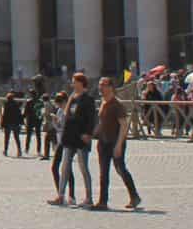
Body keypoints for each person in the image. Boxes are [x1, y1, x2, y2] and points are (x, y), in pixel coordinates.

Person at [92, 77, 142, 210]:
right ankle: (103, 201)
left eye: (103, 85)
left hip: (115, 142)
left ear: (111, 87)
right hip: (103, 142)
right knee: (103, 172)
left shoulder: (117, 104)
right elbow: (101, 122)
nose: (100, 87)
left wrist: (119, 145)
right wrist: (92, 134)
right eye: (100, 85)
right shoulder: (103, 103)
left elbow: (124, 125)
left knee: (120, 169)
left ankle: (134, 196)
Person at [48, 74, 96, 207]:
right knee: (65, 166)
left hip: (81, 137)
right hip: (70, 136)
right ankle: (61, 196)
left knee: (83, 167)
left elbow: (91, 118)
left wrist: (88, 134)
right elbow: (67, 115)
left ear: (81, 83)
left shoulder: (88, 99)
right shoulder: (72, 98)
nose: (72, 84)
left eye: (74, 82)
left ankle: (89, 197)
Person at [0, 91, 24, 158]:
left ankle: (5, 150)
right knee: (17, 138)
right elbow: (19, 114)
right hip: (15, 123)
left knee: (7, 138)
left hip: (8, 123)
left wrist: (2, 124)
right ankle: (19, 150)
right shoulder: (16, 104)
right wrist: (21, 122)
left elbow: (5, 115)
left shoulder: (6, 104)